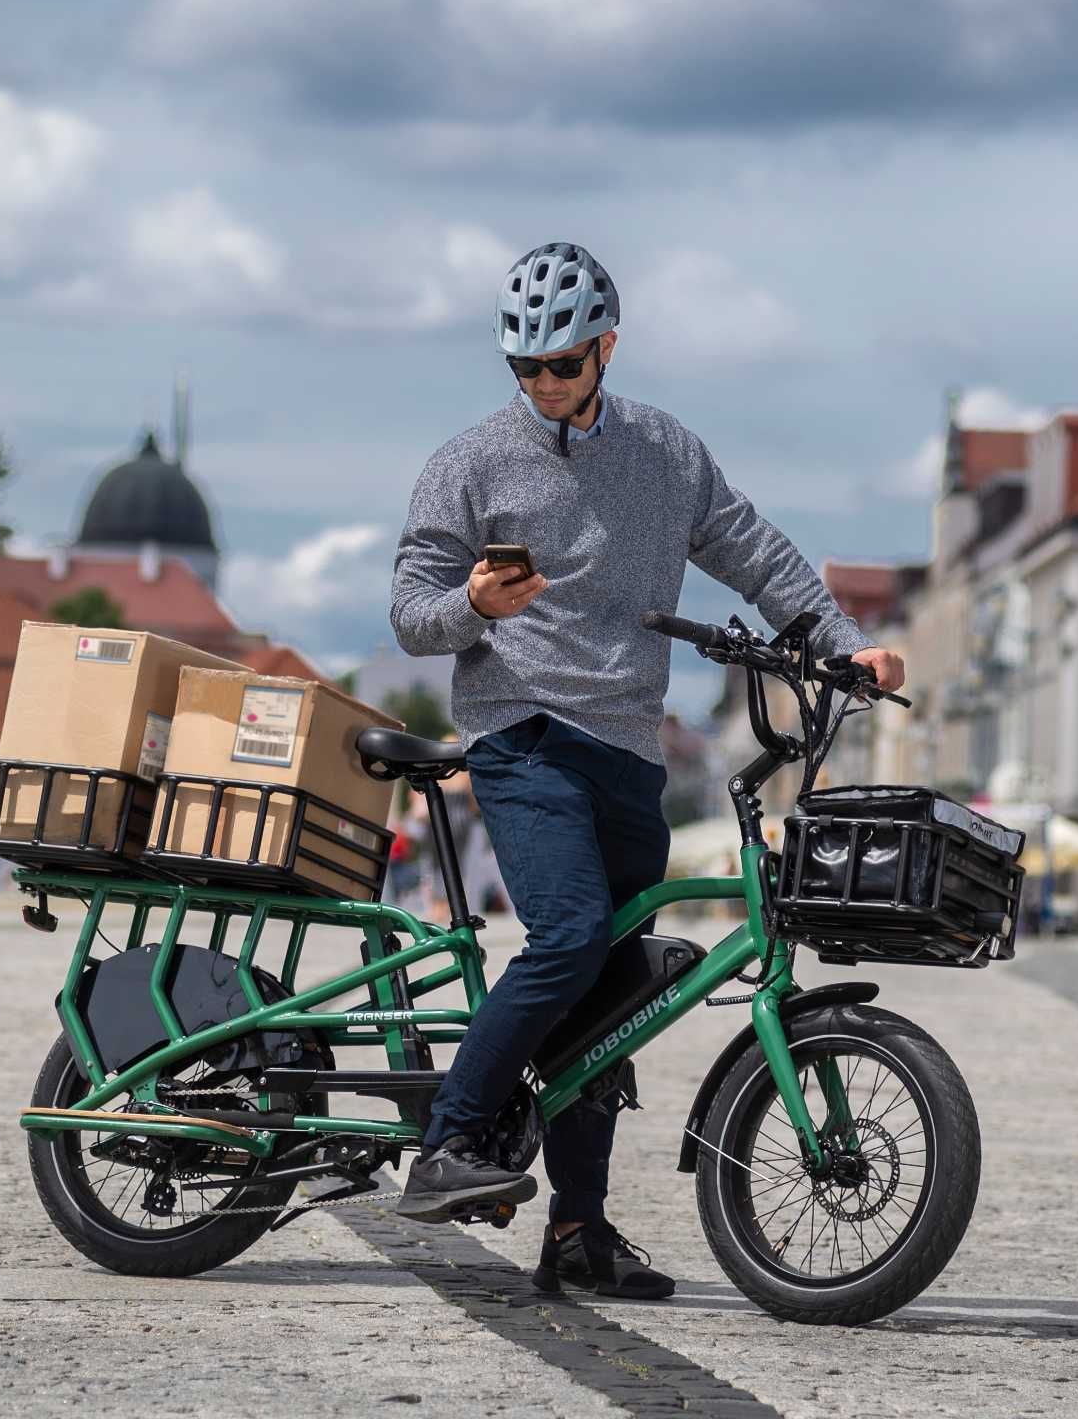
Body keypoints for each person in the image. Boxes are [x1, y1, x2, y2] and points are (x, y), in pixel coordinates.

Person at [386, 241, 904, 1300]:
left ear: (605, 350)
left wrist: (838, 641)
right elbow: (408, 611)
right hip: (521, 734)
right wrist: (471, 608)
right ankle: (446, 1140)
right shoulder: (469, 463)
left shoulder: (666, 454)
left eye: (562, 365)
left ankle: (578, 1228)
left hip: (624, 750)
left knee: (610, 1000)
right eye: (522, 368)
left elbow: (754, 553)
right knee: (571, 931)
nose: (541, 386)